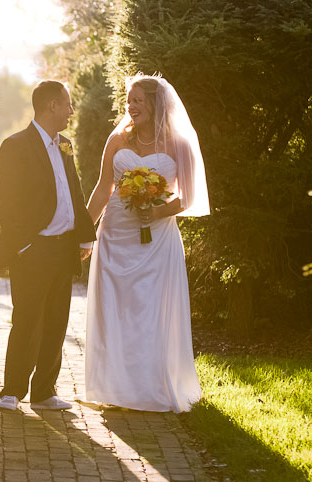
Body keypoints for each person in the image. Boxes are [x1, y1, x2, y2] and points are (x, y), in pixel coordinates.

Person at [83, 74, 210, 413]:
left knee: (149, 310)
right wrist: (83, 232)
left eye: (138, 99)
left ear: (155, 104)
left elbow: (188, 197)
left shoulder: (178, 143)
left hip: (157, 241)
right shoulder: (117, 140)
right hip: (115, 236)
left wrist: (157, 213)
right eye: (129, 99)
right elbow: (103, 187)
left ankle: (148, 389)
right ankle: (114, 389)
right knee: (115, 309)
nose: (131, 106)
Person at [0, 80, 96, 411]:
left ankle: (44, 392)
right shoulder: (15, 145)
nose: (71, 110)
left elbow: (74, 192)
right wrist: (24, 246)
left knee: (56, 321)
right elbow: (7, 202)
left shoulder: (65, 144)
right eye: (67, 104)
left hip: (64, 248)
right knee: (27, 319)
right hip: (33, 250)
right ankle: (12, 391)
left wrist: (84, 236)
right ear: (52, 105)